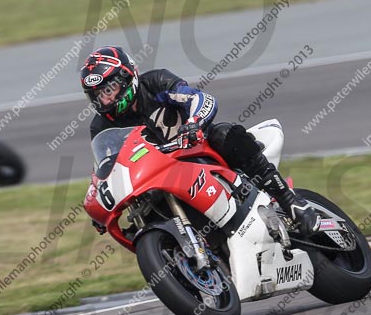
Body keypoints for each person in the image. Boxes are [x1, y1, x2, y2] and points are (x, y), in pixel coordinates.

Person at [81, 46, 320, 236]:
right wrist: (100, 207)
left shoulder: (154, 83)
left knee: (224, 134)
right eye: (97, 95)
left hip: (194, 150)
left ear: (126, 78)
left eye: (108, 90)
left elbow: (198, 98)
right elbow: (106, 166)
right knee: (143, 210)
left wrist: (194, 122)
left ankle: (291, 201)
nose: (104, 100)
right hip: (155, 175)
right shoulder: (101, 126)